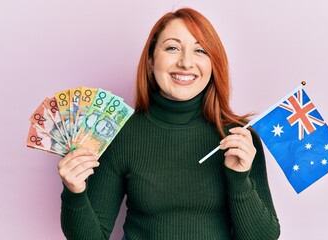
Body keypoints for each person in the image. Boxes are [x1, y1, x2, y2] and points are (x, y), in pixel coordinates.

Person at [58, 8, 281, 240]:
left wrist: (239, 179)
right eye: (172, 48)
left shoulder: (239, 137)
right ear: (152, 59)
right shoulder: (118, 134)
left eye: (200, 50)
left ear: (214, 64)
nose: (186, 62)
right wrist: (74, 192)